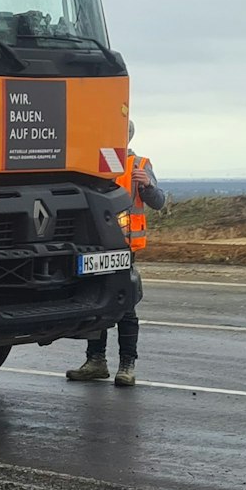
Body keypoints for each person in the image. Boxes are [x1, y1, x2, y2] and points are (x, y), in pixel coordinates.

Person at [67, 122, 165, 387]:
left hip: (123, 248)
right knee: (96, 304)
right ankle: (96, 361)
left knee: (125, 307)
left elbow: (159, 201)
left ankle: (127, 365)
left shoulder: (140, 164)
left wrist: (147, 187)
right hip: (95, 246)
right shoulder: (92, 163)